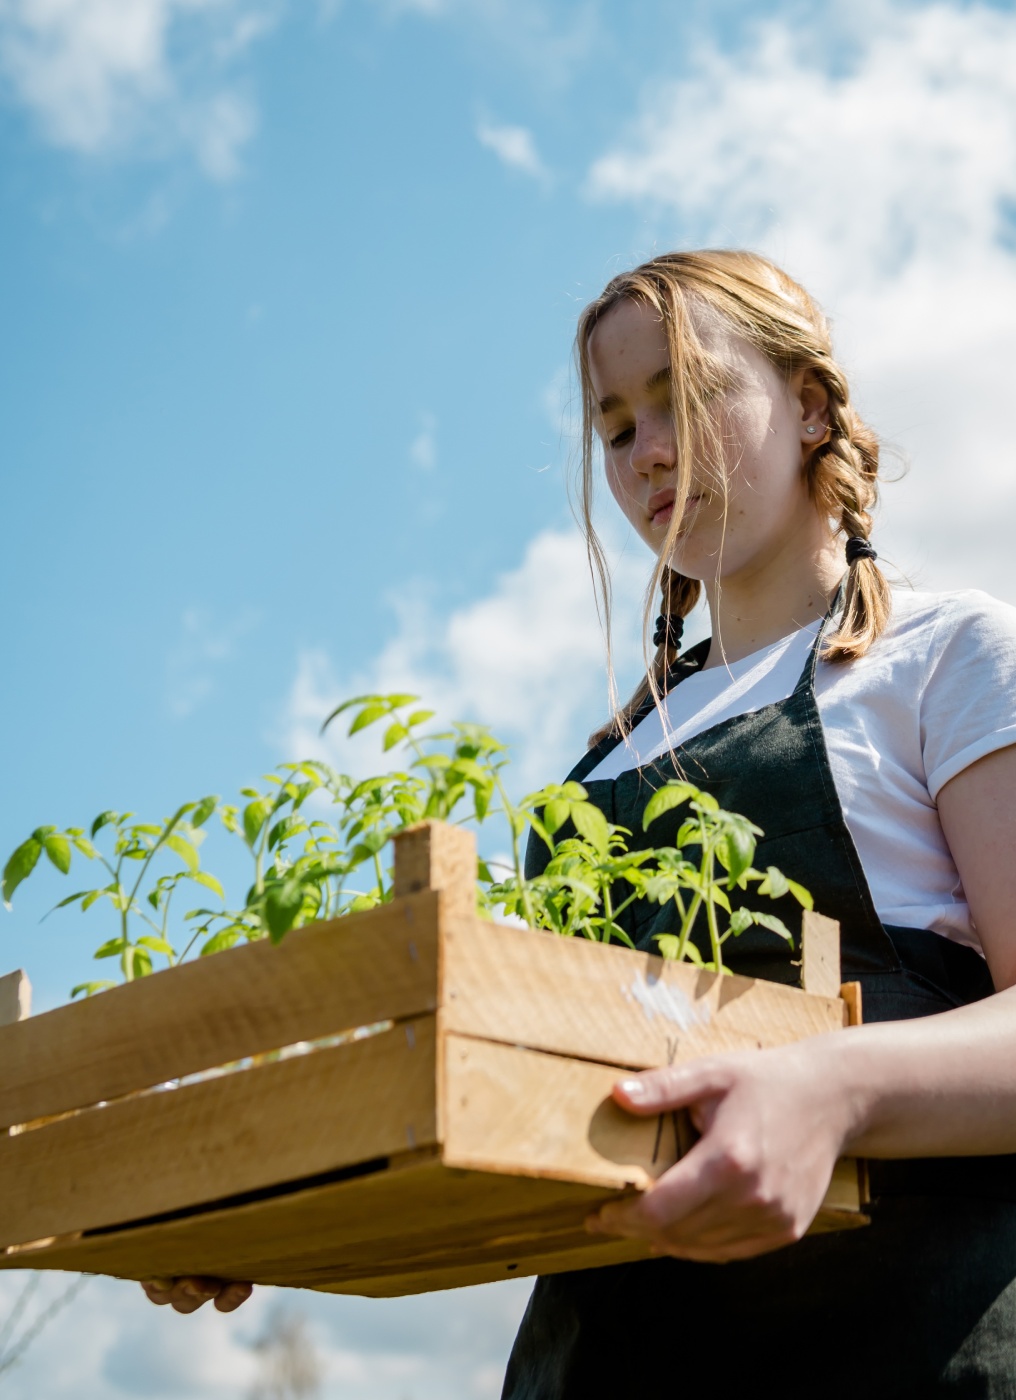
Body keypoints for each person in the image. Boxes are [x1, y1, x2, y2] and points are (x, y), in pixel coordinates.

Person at [148, 250, 1016, 1397]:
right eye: (613, 426)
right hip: (604, 1355)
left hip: (902, 1337)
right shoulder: (608, 757)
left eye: (686, 395)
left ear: (809, 407)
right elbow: (553, 1111)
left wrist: (835, 1084)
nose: (648, 450)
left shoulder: (942, 655)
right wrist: (280, 1192)